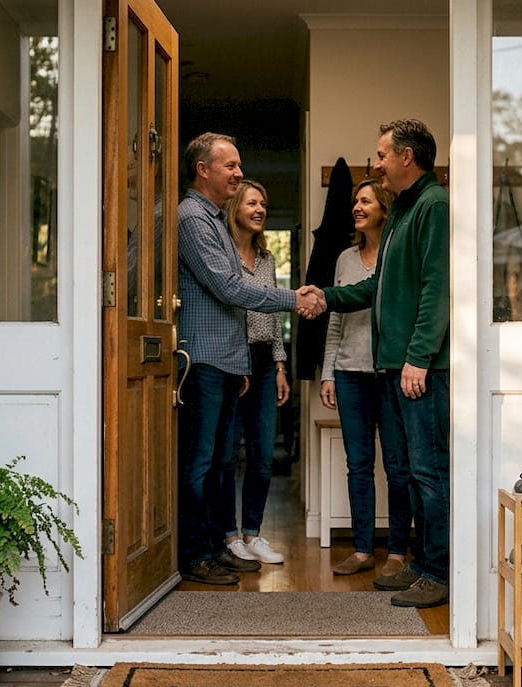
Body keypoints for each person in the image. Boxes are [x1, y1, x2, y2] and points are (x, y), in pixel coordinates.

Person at [303, 119, 451, 608]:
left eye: (383, 154)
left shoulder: (433, 206)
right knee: (409, 467)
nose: (377, 163)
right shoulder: (403, 212)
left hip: (417, 369)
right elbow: (375, 288)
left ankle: (438, 570)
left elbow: (437, 288)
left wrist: (418, 358)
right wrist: (325, 296)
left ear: (407, 157)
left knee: (427, 472)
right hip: (393, 368)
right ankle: (423, 563)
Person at [177, 132, 324, 586]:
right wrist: (293, 299)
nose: (239, 174)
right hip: (201, 361)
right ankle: (193, 554)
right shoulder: (191, 218)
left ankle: (214, 547)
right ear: (204, 169)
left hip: (226, 361)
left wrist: (244, 363)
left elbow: (235, 305)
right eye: (231, 166)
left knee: (222, 460)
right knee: (200, 463)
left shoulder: (214, 221)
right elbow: (228, 287)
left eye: (239, 166)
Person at [320, 179, 414, 578]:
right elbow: (336, 320)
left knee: (397, 466)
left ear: (384, 207)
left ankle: (396, 551)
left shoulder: (398, 255)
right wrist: (328, 372)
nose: (356, 207)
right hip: (348, 373)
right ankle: (361, 550)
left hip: (389, 373)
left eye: (365, 201)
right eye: (355, 201)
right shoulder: (344, 259)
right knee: (357, 464)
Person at [219, 179, 288, 565]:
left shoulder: (267, 259)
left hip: (262, 362)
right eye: (252, 203)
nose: (260, 209)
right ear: (235, 209)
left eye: (263, 203)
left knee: (262, 454)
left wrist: (279, 365)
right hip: (231, 358)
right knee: (228, 453)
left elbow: (273, 315)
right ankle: (229, 537)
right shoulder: (223, 254)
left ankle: (253, 534)